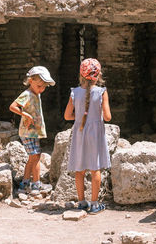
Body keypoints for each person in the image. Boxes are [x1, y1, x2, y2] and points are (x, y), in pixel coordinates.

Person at [63, 58, 112, 214]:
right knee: (95, 167)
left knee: (80, 168)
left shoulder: (74, 92)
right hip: (95, 133)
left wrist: (79, 118)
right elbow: (108, 116)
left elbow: (66, 116)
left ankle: (82, 202)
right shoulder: (102, 92)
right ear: (98, 75)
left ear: (81, 75)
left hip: (80, 131)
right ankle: (95, 203)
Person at [9, 66, 55, 191]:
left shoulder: (36, 94)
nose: (42, 89)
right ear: (31, 81)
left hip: (32, 132)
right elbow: (13, 106)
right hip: (28, 132)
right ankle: (36, 184)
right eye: (39, 86)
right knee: (36, 157)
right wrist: (25, 114)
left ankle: (25, 183)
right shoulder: (27, 94)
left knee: (32, 157)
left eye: (44, 87)